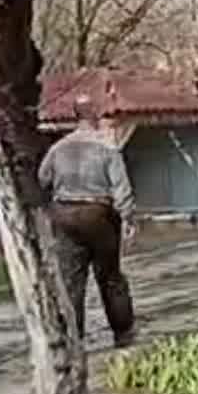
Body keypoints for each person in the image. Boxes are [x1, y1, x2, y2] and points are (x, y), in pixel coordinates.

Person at [37, 93, 138, 348]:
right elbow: (121, 188)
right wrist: (128, 218)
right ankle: (123, 332)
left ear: (74, 116)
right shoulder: (107, 147)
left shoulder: (58, 148)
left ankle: (74, 337)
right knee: (111, 276)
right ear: (94, 116)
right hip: (98, 215)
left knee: (71, 279)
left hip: (65, 215)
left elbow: (42, 177)